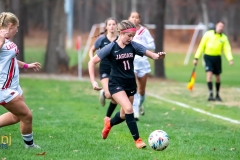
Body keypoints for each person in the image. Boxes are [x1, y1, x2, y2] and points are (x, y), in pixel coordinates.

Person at [88, 20, 166, 148]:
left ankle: (109, 124)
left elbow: (153, 55)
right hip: (115, 84)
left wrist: (159, 56)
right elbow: (91, 62)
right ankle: (138, 140)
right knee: (129, 109)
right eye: (129, 36)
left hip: (130, 83)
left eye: (133, 36)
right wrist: (93, 81)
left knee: (124, 114)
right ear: (121, 33)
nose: (131, 38)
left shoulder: (134, 46)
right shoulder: (111, 47)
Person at [0, 12, 41, 148]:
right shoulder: (0, 38)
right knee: (27, 115)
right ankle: (29, 146)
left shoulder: (7, 41)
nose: (17, 30)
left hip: (13, 85)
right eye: (16, 27)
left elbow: (9, 59)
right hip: (3, 88)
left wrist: (26, 66)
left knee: (16, 116)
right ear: (10, 25)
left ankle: (29, 145)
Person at [193, 21, 233, 101]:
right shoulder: (208, 34)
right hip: (208, 57)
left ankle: (217, 94)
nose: (220, 28)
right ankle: (211, 94)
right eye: (219, 26)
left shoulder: (224, 38)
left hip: (217, 58)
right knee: (209, 74)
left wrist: (230, 59)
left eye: (222, 26)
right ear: (216, 26)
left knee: (218, 77)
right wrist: (196, 58)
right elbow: (201, 46)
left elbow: (227, 49)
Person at [89, 17, 119, 119]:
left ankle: (107, 118)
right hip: (105, 69)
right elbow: (91, 50)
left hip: (116, 70)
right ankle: (104, 92)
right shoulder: (101, 39)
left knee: (116, 96)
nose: (111, 26)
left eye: (113, 24)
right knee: (109, 95)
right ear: (106, 27)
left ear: (116, 26)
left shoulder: (120, 39)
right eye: (109, 24)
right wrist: (92, 59)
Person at [128, 11, 156, 120]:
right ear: (129, 18)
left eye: (136, 17)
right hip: (132, 62)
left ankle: (139, 104)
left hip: (143, 63)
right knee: (133, 88)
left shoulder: (144, 31)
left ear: (139, 19)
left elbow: (152, 44)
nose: (134, 19)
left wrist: (142, 47)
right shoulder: (127, 31)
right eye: (132, 17)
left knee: (141, 91)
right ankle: (135, 113)